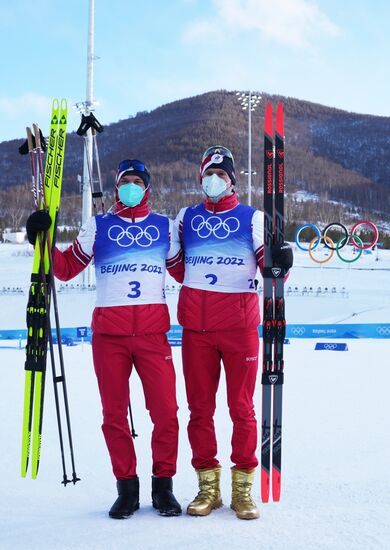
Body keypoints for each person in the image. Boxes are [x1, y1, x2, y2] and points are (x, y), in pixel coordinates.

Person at [26, 159, 184, 519]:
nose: (131, 186)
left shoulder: (164, 227)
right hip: (109, 337)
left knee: (166, 412)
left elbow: (186, 271)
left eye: (137, 181)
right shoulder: (98, 226)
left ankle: (164, 486)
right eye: (125, 181)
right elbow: (65, 270)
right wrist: (41, 239)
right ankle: (126, 488)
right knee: (113, 415)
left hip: (152, 334)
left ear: (147, 187)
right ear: (116, 187)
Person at [174, 146, 293, 520]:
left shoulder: (252, 218)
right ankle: (208, 488)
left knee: (241, 409)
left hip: (239, 328)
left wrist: (282, 260)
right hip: (197, 329)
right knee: (199, 410)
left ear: (232, 180)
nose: (215, 180)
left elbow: (273, 273)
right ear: (201, 177)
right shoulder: (185, 217)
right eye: (210, 173)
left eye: (222, 175)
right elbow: (177, 268)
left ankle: (243, 490)